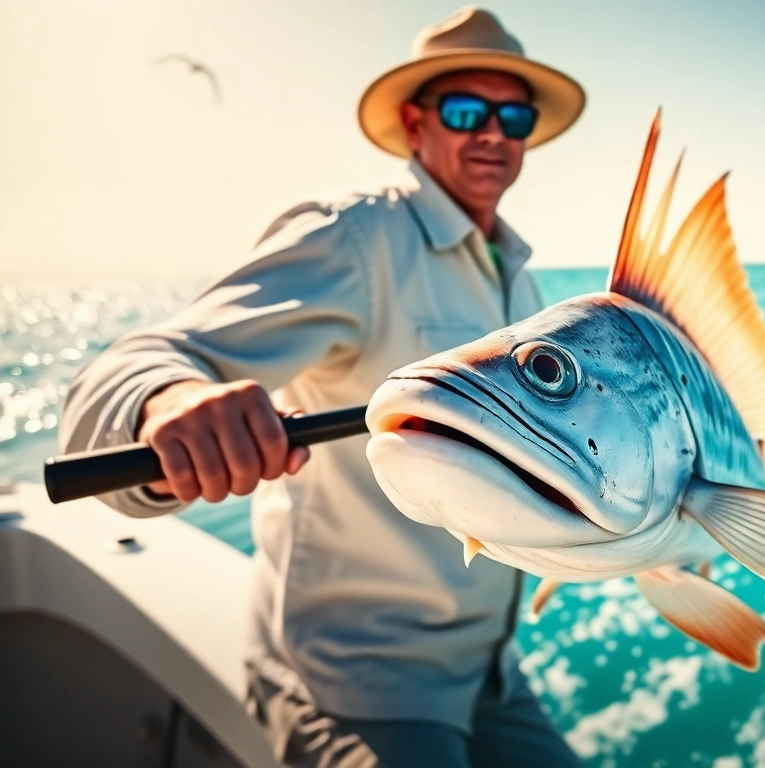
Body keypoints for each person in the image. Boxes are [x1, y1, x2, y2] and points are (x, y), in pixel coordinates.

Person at [58, 7, 587, 766]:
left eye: (515, 115)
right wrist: (167, 404)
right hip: (358, 688)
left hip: (492, 675)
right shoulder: (355, 238)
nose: (493, 134)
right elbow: (140, 363)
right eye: (467, 111)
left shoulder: (519, 279)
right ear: (415, 124)